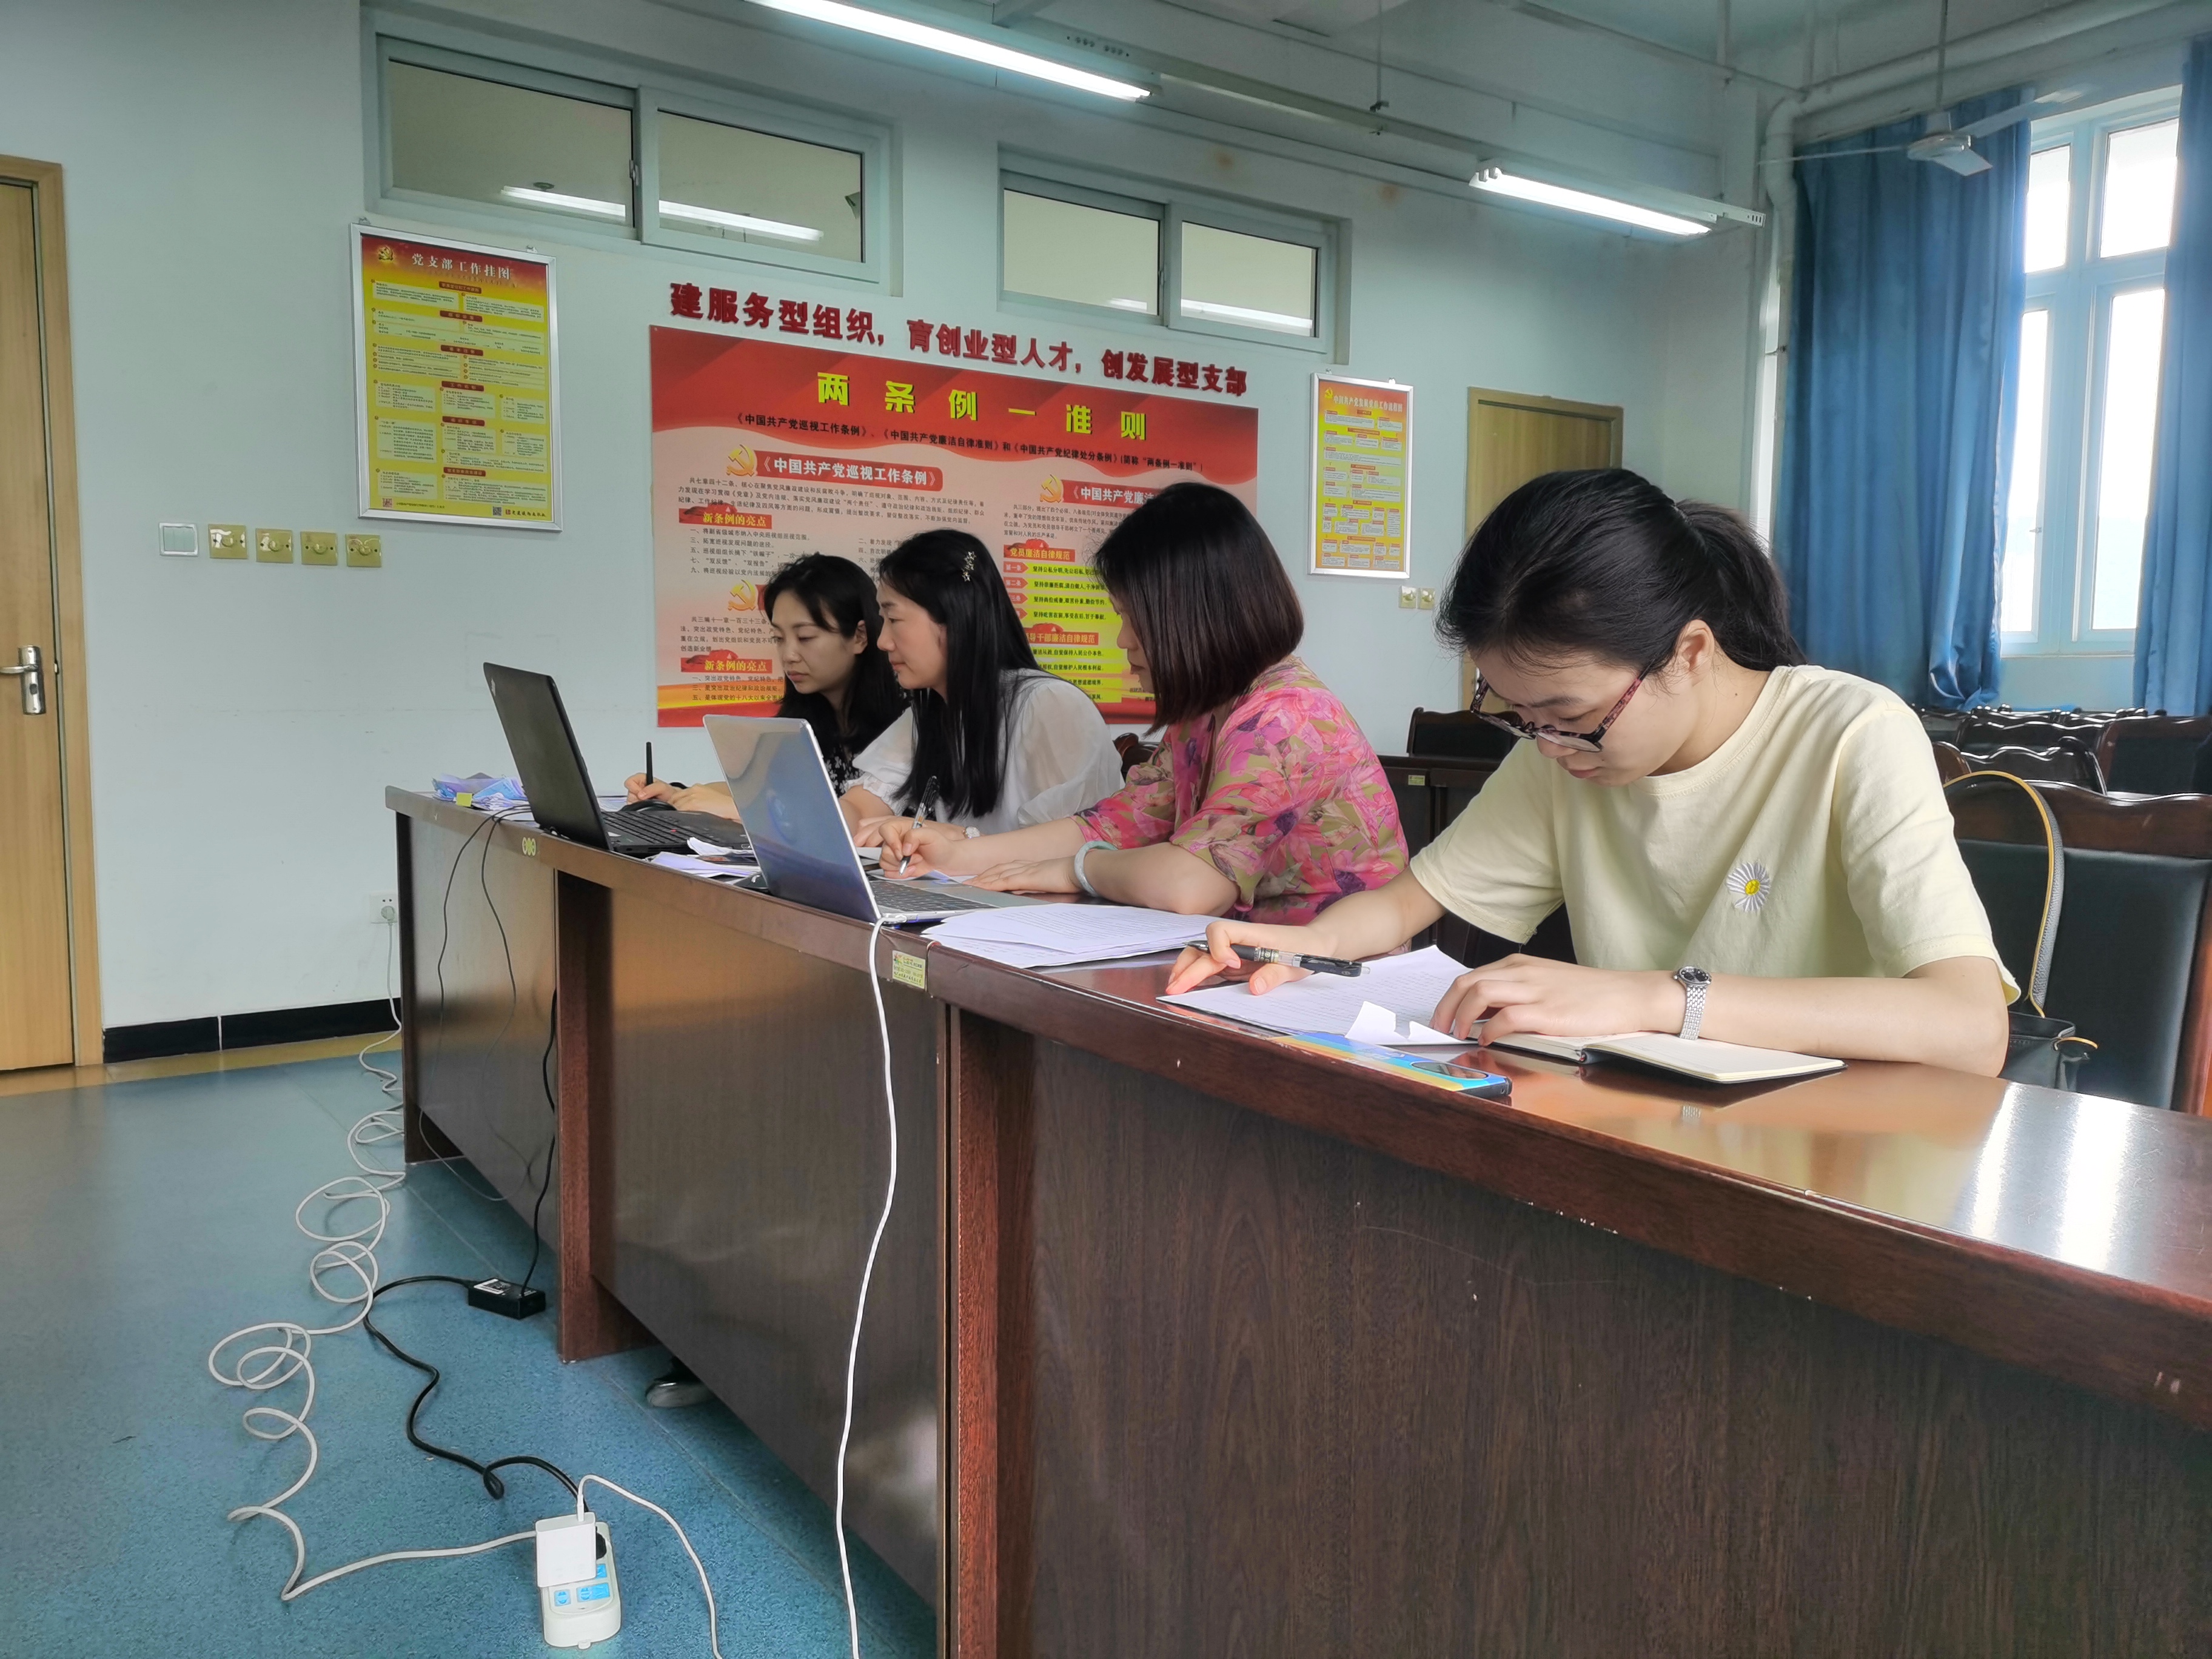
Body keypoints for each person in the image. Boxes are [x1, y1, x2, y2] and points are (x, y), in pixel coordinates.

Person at [1165, 468, 2013, 1074]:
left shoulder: (1852, 733)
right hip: (1653, 1124)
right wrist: (1311, 945)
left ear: (1689, 652)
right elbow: (1407, 903)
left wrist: (1655, 1000)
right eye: (1518, 714)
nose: (1547, 743)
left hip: (1842, 1140)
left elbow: (1970, 1025)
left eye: (1569, 715)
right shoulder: (1562, 755)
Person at [881, 483, 1404, 919]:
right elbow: (1110, 824)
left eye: (1130, 617)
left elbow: (1192, 885)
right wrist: (958, 856)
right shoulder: (1204, 714)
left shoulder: (1287, 719)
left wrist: (1077, 869)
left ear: (1190, 614)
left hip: (1330, 982)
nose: (1123, 640)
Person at [841, 529, 1123, 839]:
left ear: (955, 617)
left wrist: (954, 839)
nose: (883, 642)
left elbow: (1080, 843)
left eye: (894, 620)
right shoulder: (933, 710)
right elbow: (861, 808)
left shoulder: (1051, 705)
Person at [625, 553, 906, 817]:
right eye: (779, 638)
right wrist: (676, 796)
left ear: (859, 636)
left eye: (805, 637)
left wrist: (742, 812)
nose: (789, 655)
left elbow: (845, 821)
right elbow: (761, 788)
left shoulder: (909, 715)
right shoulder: (807, 717)